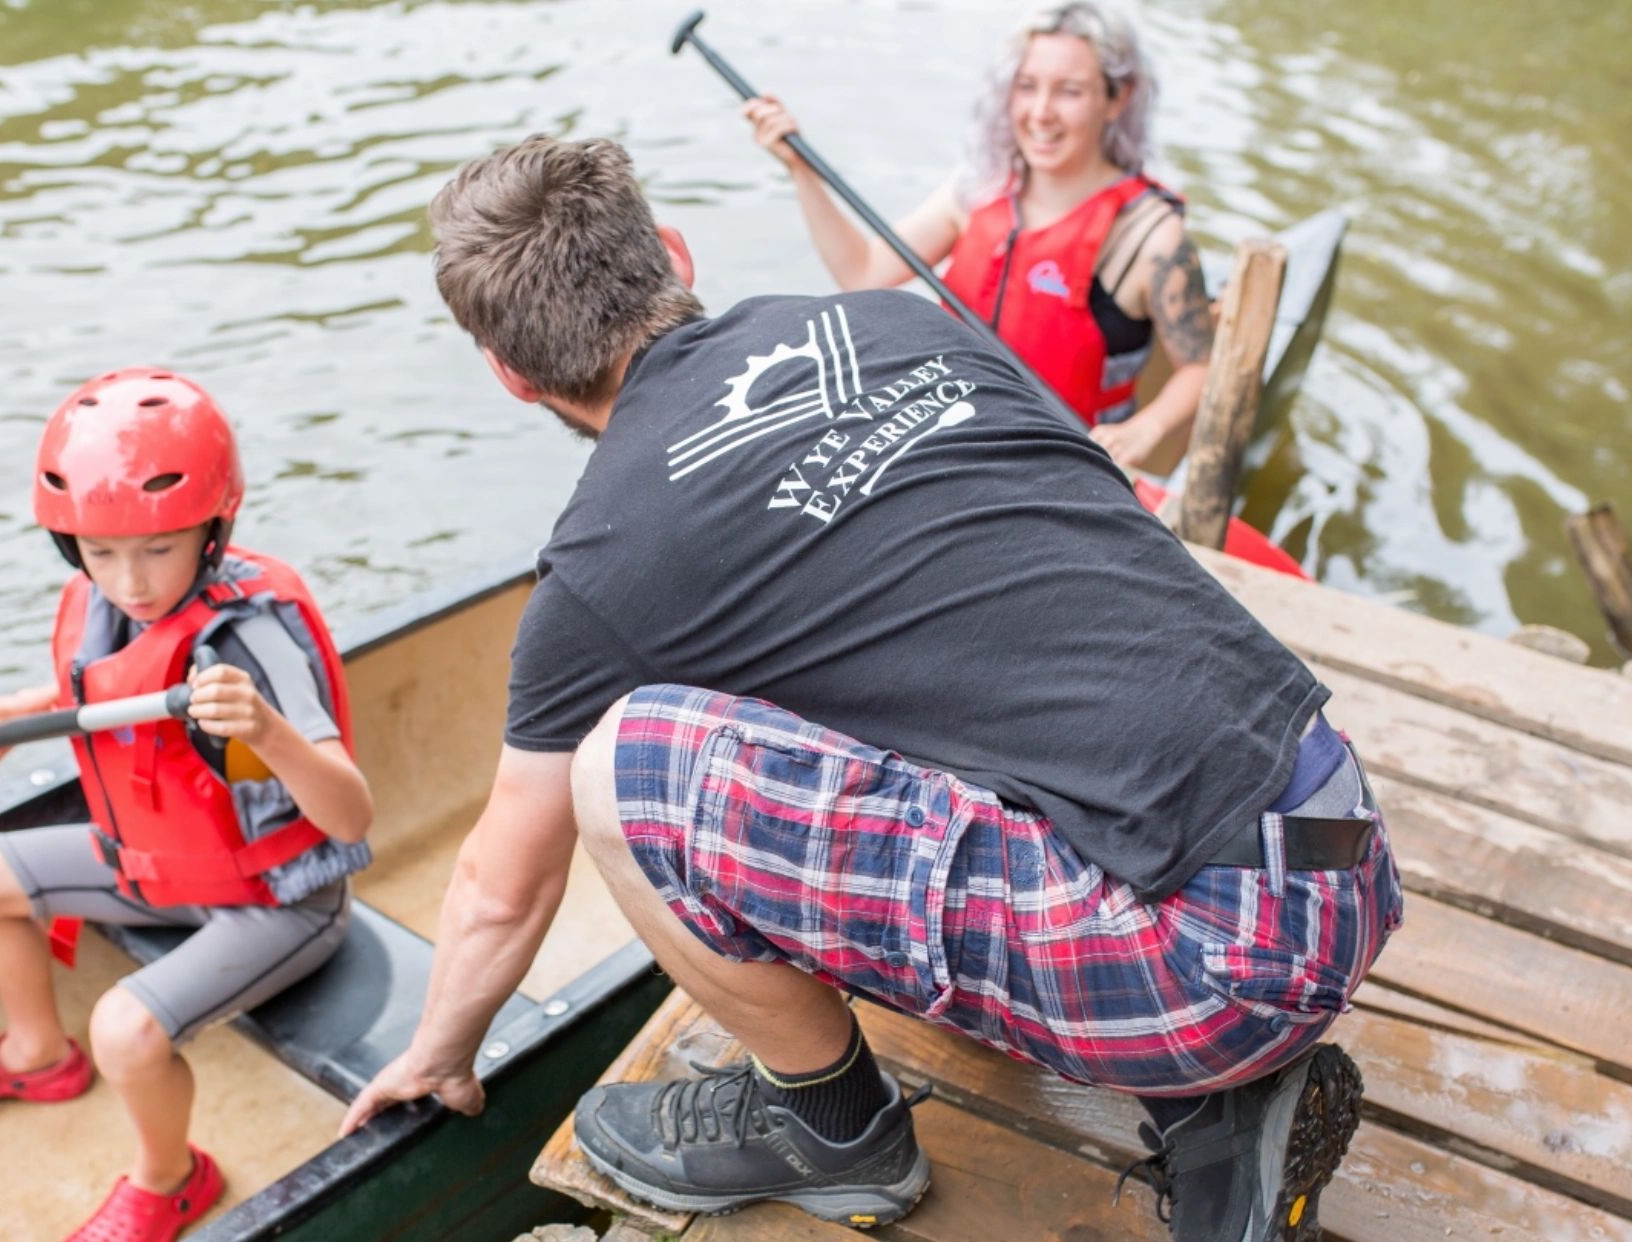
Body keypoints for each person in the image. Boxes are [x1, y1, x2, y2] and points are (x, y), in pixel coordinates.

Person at [339, 134, 1402, 1242]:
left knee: (619, 767)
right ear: (672, 252)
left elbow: (505, 889)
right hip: (1340, 844)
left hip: (1210, 963)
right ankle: (1214, 1104)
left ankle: (833, 1124)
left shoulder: (604, 559)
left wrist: (440, 1058)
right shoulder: (904, 323)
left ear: (510, 375)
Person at [0, 368, 375, 1242]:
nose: (131, 581)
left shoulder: (253, 635)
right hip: (156, 863)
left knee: (127, 1031)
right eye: (100, 551)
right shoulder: (100, 597)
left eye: (158, 549)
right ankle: (36, 1055)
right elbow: (113, 682)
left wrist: (269, 732)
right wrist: (13, 711)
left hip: (280, 899)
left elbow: (349, 816)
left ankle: (173, 1178)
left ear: (215, 526)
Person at [742, 1, 1212, 471]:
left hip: (1062, 463)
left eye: (1069, 92)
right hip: (952, 439)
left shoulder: (1148, 238)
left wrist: (1144, 429)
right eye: (1026, 87)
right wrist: (800, 171)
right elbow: (863, 273)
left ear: (1118, 98)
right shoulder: (977, 190)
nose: (1041, 113)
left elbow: (1203, 366)